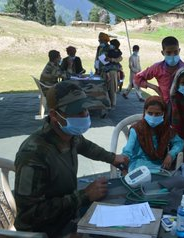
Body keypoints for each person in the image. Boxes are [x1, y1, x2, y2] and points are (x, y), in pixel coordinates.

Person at [14, 81, 129, 236]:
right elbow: (29, 214)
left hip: (68, 215)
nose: (85, 116)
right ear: (55, 115)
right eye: (78, 112)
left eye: (86, 110)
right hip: (47, 230)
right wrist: (84, 195)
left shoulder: (68, 135)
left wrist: (113, 158)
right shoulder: (34, 155)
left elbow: (86, 146)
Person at [134, 36, 184, 110]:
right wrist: (154, 87)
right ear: (163, 53)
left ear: (179, 51)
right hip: (166, 106)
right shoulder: (157, 68)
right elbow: (137, 78)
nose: (172, 55)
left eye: (175, 52)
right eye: (168, 53)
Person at [122, 96, 184, 173]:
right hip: (138, 166)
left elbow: (179, 142)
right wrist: (124, 165)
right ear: (145, 111)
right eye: (150, 113)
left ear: (164, 114)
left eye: (158, 114)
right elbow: (127, 151)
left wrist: (171, 154)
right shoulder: (137, 129)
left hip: (159, 166)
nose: (153, 117)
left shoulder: (166, 129)